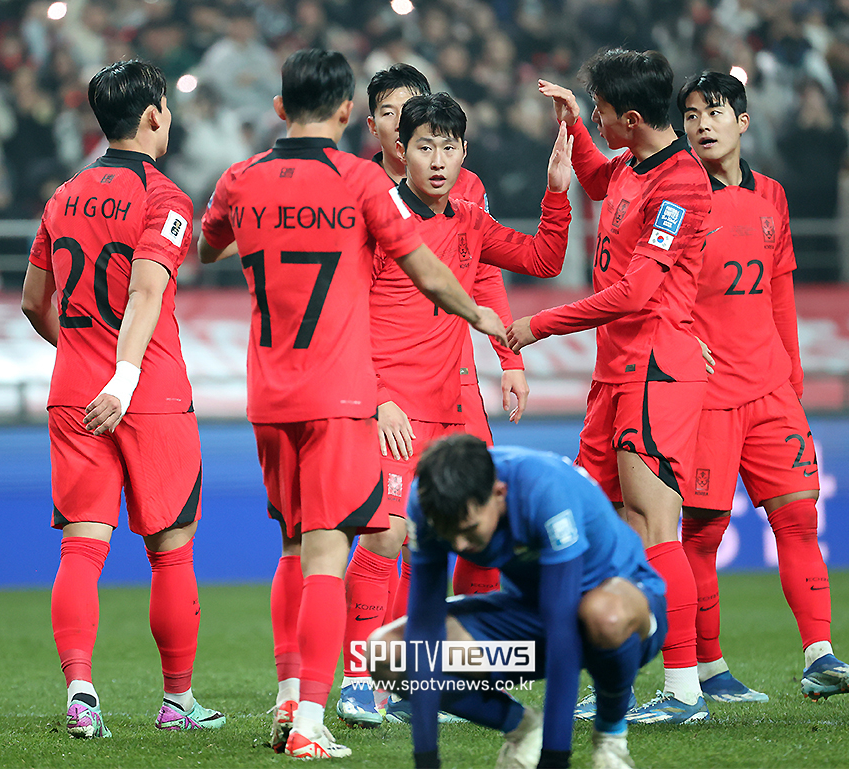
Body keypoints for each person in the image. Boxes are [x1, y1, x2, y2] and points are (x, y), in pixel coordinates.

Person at [197, 49, 508, 760]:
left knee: (289, 547)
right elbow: (423, 267)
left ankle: (286, 700)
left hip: (269, 393)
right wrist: (481, 315)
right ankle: (310, 721)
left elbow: (208, 249)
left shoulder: (240, 179)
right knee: (329, 558)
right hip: (339, 395)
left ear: (279, 108)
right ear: (347, 112)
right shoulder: (362, 179)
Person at [337, 91, 572, 729]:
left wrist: (556, 190)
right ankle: (361, 681)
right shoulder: (376, 222)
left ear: (463, 153)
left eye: (448, 147)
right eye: (424, 147)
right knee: (384, 534)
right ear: (399, 152)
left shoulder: (468, 217)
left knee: (469, 534)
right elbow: (345, 319)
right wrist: (378, 397)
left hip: (450, 404)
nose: (437, 160)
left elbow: (543, 260)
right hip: (391, 406)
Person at [20, 59, 225, 739]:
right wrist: (124, 377)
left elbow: (32, 301)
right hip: (150, 391)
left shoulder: (63, 194)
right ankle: (177, 702)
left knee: (81, 549)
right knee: (170, 551)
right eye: (165, 105)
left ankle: (81, 691)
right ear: (152, 116)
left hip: (75, 391)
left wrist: (84, 362)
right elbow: (146, 290)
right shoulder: (164, 196)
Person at [509, 50, 713, 723]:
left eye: (599, 107)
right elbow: (599, 181)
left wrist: (542, 323)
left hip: (656, 368)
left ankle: (684, 690)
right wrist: (574, 127)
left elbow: (638, 291)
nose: (593, 112)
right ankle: (621, 665)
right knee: (609, 528)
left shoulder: (681, 185)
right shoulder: (631, 164)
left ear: (631, 117)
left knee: (654, 524)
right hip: (615, 372)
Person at [676, 70, 849, 703]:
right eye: (690, 115)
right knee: (702, 534)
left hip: (770, 392)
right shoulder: (675, 200)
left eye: (715, 112)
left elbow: (781, 289)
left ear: (743, 120)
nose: (702, 124)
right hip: (706, 396)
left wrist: (792, 377)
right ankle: (708, 670)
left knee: (797, 519)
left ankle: (819, 655)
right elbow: (652, 287)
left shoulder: (773, 196)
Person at [367, 434, 666, 769]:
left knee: (603, 615)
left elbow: (562, 636)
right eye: (450, 535)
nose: (461, 546)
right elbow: (425, 627)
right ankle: (522, 726)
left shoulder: (544, 489)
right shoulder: (428, 504)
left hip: (621, 615)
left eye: (469, 529)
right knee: (390, 654)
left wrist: (554, 759)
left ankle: (611, 735)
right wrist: (426, 760)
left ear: (499, 494)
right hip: (533, 612)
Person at [364, 63, 526, 606]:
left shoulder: (465, 187)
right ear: (380, 127)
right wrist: (375, 395)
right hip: (388, 381)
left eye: (411, 109)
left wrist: (510, 360)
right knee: (389, 532)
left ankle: (458, 668)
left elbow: (486, 274)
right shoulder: (361, 195)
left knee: (476, 524)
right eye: (390, 113)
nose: (399, 122)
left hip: (455, 383)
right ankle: (377, 669)